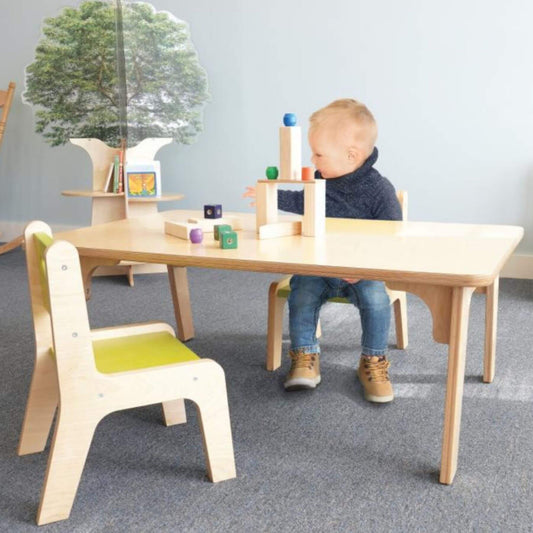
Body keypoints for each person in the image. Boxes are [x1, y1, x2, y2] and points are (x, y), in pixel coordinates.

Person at [243, 98, 402, 403]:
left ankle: (373, 361)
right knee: (302, 293)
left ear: (351, 155)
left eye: (318, 154)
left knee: (376, 301)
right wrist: (271, 198)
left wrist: (364, 268)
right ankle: (305, 355)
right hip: (320, 267)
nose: (313, 161)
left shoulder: (379, 190)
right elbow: (303, 202)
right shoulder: (321, 182)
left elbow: (393, 235)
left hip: (362, 271)